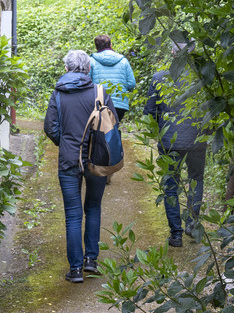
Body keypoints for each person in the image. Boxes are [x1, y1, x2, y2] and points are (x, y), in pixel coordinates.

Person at [43, 49, 109, 283]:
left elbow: (50, 127)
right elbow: (112, 127)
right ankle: (91, 260)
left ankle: (76, 270)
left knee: (73, 216)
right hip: (96, 160)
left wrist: (67, 143)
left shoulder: (58, 94)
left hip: (69, 161)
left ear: (67, 69)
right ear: (89, 69)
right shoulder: (99, 92)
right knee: (93, 207)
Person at [143, 39, 208, 248]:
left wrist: (160, 130)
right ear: (193, 52)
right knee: (196, 180)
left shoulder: (160, 78)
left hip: (169, 140)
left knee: (171, 185)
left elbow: (149, 112)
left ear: (172, 53)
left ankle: (176, 234)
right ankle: (191, 224)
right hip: (197, 139)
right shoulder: (203, 78)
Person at [88, 34, 137, 122]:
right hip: (119, 104)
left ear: (96, 47)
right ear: (111, 45)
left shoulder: (91, 61)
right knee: (114, 129)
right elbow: (131, 83)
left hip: (99, 104)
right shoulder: (123, 60)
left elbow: (87, 82)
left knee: (100, 131)